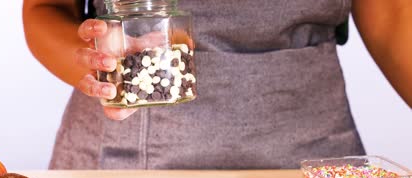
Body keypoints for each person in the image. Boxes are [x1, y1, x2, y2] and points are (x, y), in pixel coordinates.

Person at [22, 0, 412, 169]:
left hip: (316, 162)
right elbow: (45, 9)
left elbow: (393, 14)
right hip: (128, 162)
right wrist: (100, 65)